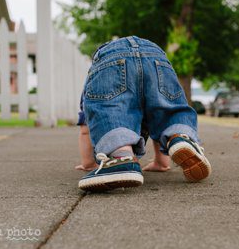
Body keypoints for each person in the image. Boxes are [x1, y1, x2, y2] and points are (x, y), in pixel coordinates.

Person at [77, 36, 211, 193]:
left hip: (110, 59)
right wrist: (161, 163)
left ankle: (122, 156)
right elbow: (155, 122)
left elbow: (85, 129)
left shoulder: (98, 71)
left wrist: (88, 163)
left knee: (110, 112)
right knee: (166, 111)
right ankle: (179, 137)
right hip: (156, 57)